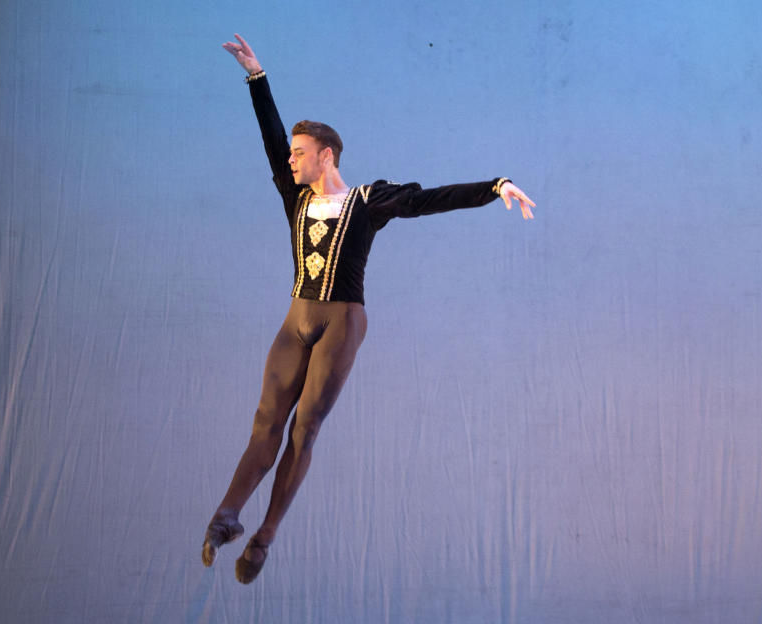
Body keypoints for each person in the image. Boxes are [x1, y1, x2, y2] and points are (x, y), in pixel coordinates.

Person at [202, 34, 536, 584]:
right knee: (267, 420)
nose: (290, 160)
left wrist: (495, 185)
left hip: (342, 322)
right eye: (290, 153)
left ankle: (266, 535)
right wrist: (256, 77)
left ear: (325, 155)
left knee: (304, 429)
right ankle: (228, 516)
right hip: (298, 318)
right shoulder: (297, 198)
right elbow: (268, 140)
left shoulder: (369, 200)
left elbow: (429, 199)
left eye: (299, 152)